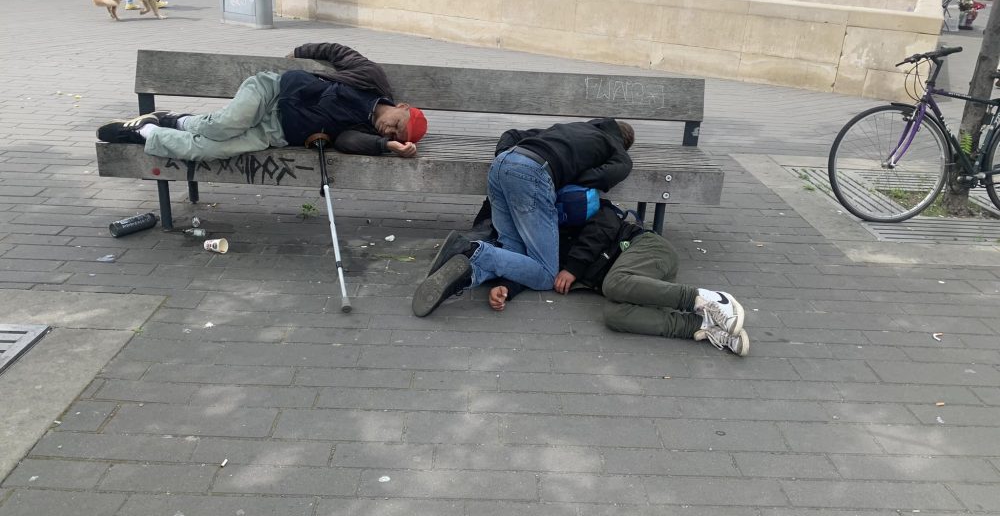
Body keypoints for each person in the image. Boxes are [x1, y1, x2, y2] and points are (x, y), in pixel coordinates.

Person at [411, 118, 634, 317]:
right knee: (547, 274)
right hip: (533, 174)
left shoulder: (570, 128)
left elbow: (512, 134)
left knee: (512, 254)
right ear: (623, 142)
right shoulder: (615, 146)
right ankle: (470, 250)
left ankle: (466, 276)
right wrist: (571, 174)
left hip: (502, 164)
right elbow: (614, 171)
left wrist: (507, 160)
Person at [485, 200, 750, 356]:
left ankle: (710, 298)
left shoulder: (558, 211)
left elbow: (607, 218)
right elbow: (531, 269)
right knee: (614, 316)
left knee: (614, 283)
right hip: (636, 285)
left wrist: (573, 267)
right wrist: (506, 287)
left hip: (646, 249)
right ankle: (703, 326)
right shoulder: (529, 245)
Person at [96, 43, 428, 162]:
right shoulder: (372, 78)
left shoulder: (367, 133)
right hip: (273, 91)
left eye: (394, 135)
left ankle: (144, 132)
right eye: (396, 126)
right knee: (226, 125)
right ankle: (175, 120)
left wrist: (385, 147)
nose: (389, 130)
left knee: (208, 149)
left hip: (277, 132)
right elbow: (337, 52)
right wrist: (300, 52)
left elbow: (344, 141)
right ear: (401, 107)